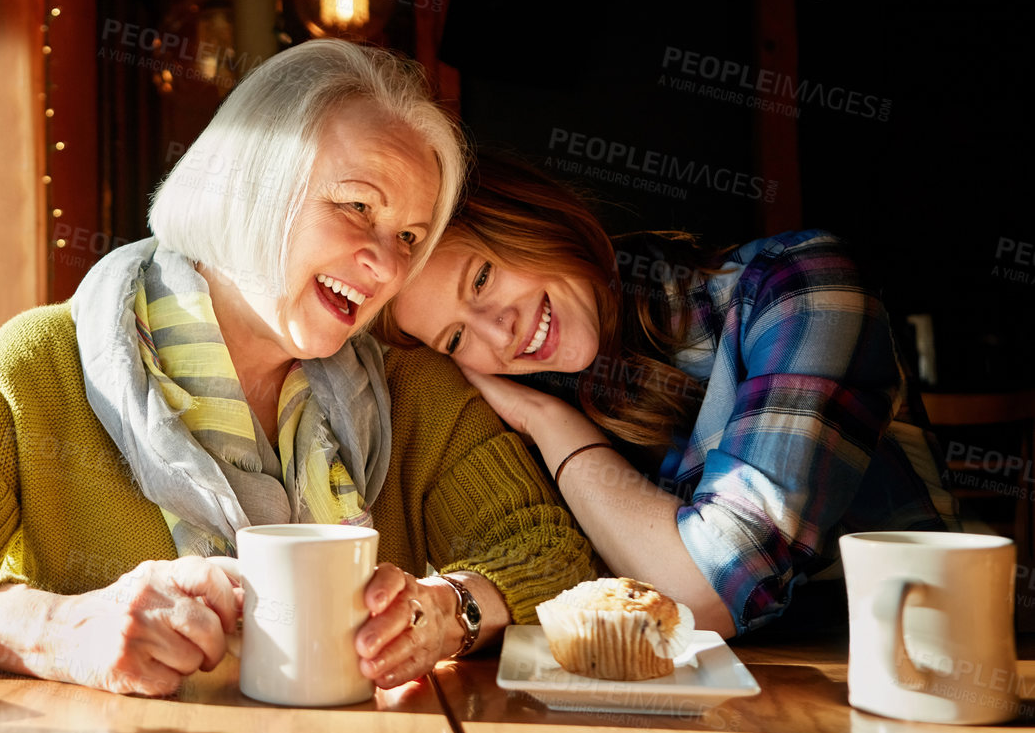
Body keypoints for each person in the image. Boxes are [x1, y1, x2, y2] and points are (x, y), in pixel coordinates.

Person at [0, 41, 593, 695]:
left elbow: (551, 555)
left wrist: (452, 607)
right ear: (252, 183)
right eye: (358, 206)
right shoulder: (44, 361)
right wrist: (61, 629)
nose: (384, 261)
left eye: (408, 236)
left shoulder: (413, 389)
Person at [384, 152, 960, 638]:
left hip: (902, 668)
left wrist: (552, 426)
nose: (497, 331)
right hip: (697, 710)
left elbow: (703, 596)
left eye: (481, 278)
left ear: (535, 219)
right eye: (456, 336)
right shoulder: (529, 389)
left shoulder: (801, 286)